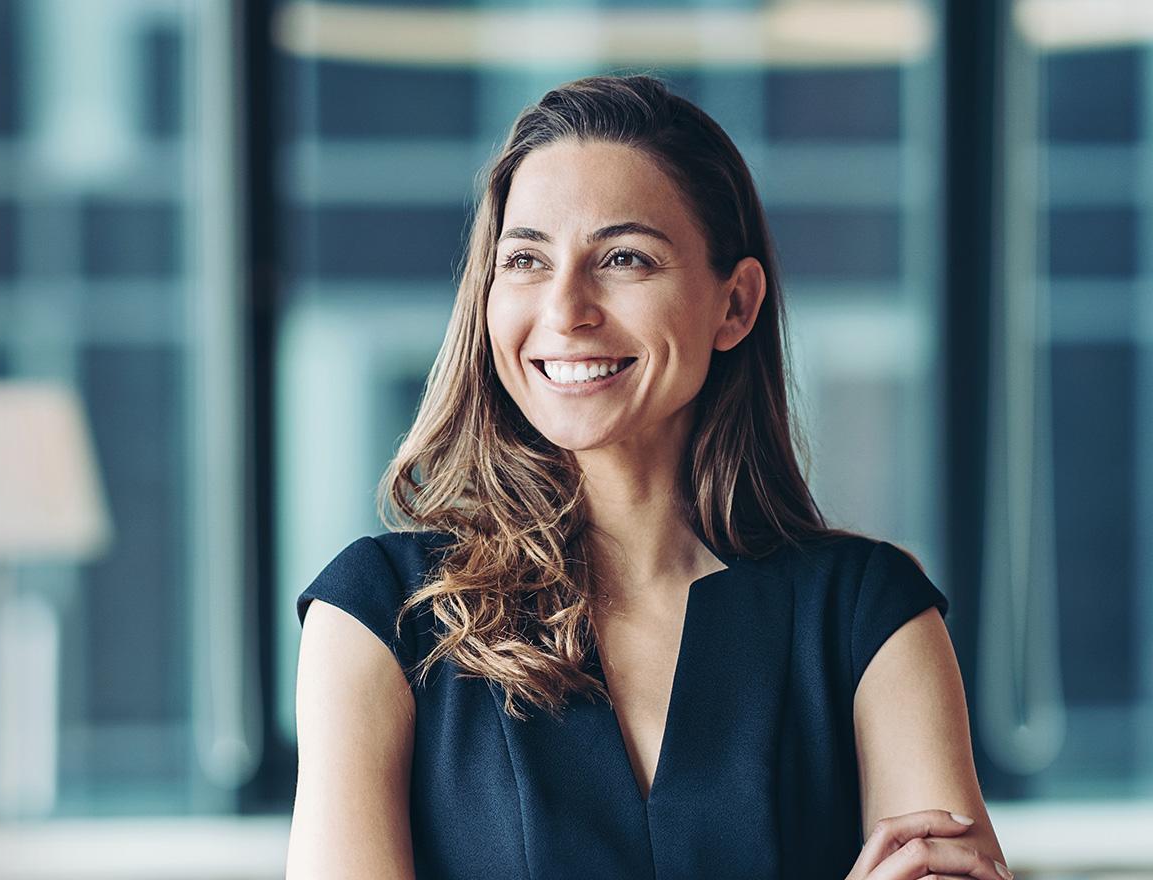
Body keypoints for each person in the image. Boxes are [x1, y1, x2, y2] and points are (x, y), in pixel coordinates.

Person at [285, 74, 1012, 880]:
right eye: (525, 259)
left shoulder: (868, 616)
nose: (565, 309)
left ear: (734, 305)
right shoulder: (378, 618)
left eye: (624, 258)